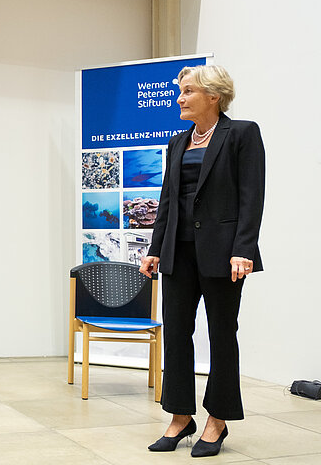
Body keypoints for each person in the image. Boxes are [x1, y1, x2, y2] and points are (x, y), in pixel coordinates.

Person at [140, 65, 265, 457]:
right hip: (178, 252)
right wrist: (155, 248)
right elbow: (166, 201)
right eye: (180, 91)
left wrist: (243, 249)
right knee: (176, 335)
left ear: (213, 96)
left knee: (221, 336)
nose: (180, 98)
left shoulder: (242, 133)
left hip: (224, 254)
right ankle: (180, 417)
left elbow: (252, 196)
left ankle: (218, 419)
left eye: (188, 91)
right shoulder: (177, 143)